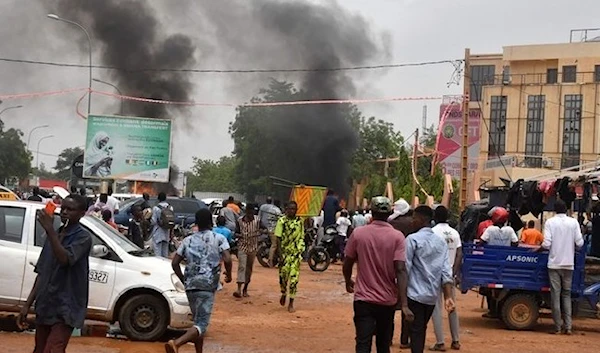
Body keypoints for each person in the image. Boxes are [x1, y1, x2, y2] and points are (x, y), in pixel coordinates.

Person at [17, 194, 92, 353]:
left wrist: (50, 230)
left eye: (70, 209)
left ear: (82, 213)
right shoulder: (55, 235)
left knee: (53, 349)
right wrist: (27, 305)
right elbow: (42, 272)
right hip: (46, 305)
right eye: (63, 208)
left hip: (66, 308)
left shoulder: (83, 237)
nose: (64, 212)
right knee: (40, 349)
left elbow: (65, 259)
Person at [343, 196, 410, 353]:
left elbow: (348, 263)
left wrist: (348, 281)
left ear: (371, 212)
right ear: (390, 213)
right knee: (383, 344)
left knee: (362, 342)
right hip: (387, 301)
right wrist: (404, 303)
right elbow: (400, 269)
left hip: (363, 299)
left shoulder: (359, 234)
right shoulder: (397, 237)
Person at [166, 209, 233, 353]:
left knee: (197, 322)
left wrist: (184, 279)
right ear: (211, 222)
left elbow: (175, 263)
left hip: (191, 286)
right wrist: (229, 273)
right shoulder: (219, 238)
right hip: (207, 286)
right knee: (202, 324)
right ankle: (176, 343)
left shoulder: (188, 240)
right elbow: (227, 258)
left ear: (196, 222)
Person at [405, 205, 455, 353]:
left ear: (421, 220)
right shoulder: (440, 242)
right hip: (432, 297)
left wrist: (400, 295)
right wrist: (447, 297)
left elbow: (405, 268)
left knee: (416, 332)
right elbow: (446, 271)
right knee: (420, 329)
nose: (412, 222)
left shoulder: (412, 240)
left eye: (414, 218)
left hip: (414, 295)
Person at [540, 199, 584, 335]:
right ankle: (568, 327)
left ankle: (558, 327)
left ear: (554, 209)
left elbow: (546, 244)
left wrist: (539, 248)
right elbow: (580, 243)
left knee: (555, 295)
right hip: (568, 264)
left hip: (554, 264)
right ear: (566, 209)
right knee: (566, 295)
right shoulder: (573, 222)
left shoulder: (550, 222)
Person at [430, 206, 462, 351]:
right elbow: (459, 254)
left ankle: (440, 342)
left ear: (434, 217)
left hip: (435, 274)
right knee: (452, 307)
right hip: (449, 274)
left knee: (436, 308)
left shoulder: (433, 232)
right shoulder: (454, 233)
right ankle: (456, 341)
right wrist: (453, 272)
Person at [387, 198, 415, 347]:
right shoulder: (413, 223)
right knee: (407, 305)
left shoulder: (390, 224)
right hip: (408, 269)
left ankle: (388, 338)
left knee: (390, 306)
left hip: (390, 268)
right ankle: (405, 340)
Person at [274, 201, 305, 313]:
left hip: (295, 255)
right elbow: (278, 238)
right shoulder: (282, 221)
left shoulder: (299, 222)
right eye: (290, 209)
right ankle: (283, 293)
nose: (292, 211)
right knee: (283, 278)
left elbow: (302, 236)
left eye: (294, 209)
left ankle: (291, 302)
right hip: (284, 254)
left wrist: (301, 249)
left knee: (294, 279)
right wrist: (280, 254)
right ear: (286, 209)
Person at [234, 204, 265, 298]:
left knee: (249, 269)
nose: (251, 214)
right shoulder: (239, 221)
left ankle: (245, 289)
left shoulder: (258, 220)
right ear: (246, 211)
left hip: (253, 247)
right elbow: (236, 233)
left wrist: (260, 232)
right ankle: (238, 289)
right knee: (242, 267)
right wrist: (239, 236)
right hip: (242, 246)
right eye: (249, 212)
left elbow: (264, 229)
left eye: (252, 212)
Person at [258, 197, 282, 267]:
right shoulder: (277, 210)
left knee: (278, 244)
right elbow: (281, 219)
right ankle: (270, 260)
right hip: (273, 229)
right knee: (274, 245)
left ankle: (280, 259)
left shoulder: (269, 208)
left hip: (267, 227)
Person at [151, 192, 173, 258]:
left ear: (158, 199)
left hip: (158, 232)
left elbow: (153, 221)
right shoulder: (170, 207)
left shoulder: (156, 208)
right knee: (165, 253)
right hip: (167, 232)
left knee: (157, 252)